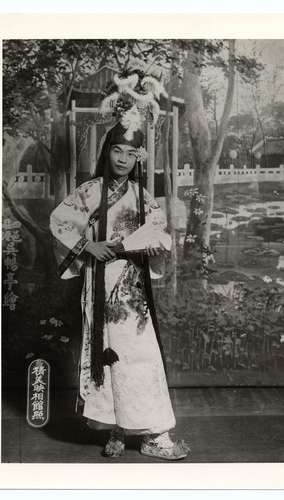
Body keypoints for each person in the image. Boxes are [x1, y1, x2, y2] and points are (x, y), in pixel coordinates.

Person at [50, 121, 190, 461]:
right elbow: (60, 221)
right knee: (107, 353)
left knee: (139, 352)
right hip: (100, 280)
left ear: (138, 158)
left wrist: (153, 248)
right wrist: (89, 246)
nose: (123, 159)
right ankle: (116, 427)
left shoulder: (143, 198)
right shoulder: (90, 191)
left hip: (132, 287)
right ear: (107, 151)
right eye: (117, 150)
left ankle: (152, 432)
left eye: (131, 153)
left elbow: (158, 237)